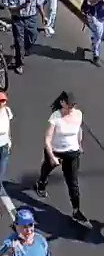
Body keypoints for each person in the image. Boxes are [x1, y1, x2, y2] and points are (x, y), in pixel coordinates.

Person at [34, 92, 90, 226]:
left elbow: (78, 130)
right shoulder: (55, 117)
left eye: (74, 105)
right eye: (70, 105)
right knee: (47, 167)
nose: (72, 108)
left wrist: (79, 145)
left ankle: (76, 210)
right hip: (56, 150)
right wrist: (52, 156)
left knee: (73, 183)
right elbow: (47, 139)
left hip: (72, 152)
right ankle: (41, 182)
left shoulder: (78, 114)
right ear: (63, 103)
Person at [8, 0, 47, 74]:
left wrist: (43, 16)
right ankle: (19, 63)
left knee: (33, 35)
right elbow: (11, 9)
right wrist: (21, 6)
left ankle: (24, 49)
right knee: (19, 41)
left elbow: (39, 3)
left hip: (31, 17)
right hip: (18, 18)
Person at [81, 0, 104, 65]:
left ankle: (94, 43)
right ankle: (96, 56)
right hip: (95, 16)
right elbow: (89, 1)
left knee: (100, 35)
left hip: (102, 16)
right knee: (98, 35)